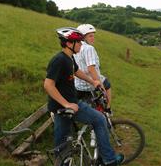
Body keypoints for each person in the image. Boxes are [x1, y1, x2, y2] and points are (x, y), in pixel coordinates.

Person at [44, 27, 124, 166]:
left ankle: (64, 161)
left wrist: (93, 81)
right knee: (99, 119)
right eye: (78, 42)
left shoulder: (69, 58)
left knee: (62, 144)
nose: (81, 45)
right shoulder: (59, 60)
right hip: (66, 106)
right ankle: (109, 160)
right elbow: (48, 85)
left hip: (65, 105)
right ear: (69, 44)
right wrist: (66, 104)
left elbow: (77, 71)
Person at [74, 24, 112, 111]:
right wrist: (101, 86)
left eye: (93, 36)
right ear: (83, 37)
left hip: (78, 84)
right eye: (90, 36)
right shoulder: (88, 48)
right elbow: (91, 69)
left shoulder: (76, 47)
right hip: (89, 83)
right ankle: (108, 109)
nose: (93, 38)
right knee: (107, 84)